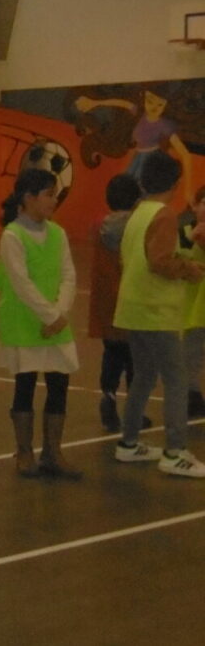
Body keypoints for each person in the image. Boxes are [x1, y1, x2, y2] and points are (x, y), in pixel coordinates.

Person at [113, 152, 205, 477]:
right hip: (157, 310)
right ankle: (175, 451)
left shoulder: (138, 212)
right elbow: (160, 261)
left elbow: (140, 257)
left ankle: (128, 443)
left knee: (144, 376)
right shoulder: (165, 215)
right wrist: (189, 269)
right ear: (177, 183)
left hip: (133, 307)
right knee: (177, 380)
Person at [0, 169, 81, 479]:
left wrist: (60, 313)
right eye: (48, 194)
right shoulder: (12, 236)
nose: (53, 200)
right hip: (24, 324)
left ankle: (53, 452)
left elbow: (69, 275)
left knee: (59, 385)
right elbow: (20, 283)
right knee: (25, 386)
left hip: (55, 324)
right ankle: (25, 452)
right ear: (29, 198)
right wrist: (50, 316)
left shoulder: (58, 233)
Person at [88, 174, 143, 432]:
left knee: (111, 353)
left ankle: (108, 395)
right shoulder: (137, 227)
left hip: (105, 302)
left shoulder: (99, 226)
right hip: (131, 301)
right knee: (135, 360)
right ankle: (135, 411)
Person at [179, 185, 205, 420]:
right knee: (190, 355)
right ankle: (192, 396)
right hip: (192, 307)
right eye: (204, 203)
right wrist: (192, 238)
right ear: (195, 206)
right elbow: (176, 259)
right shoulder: (184, 231)